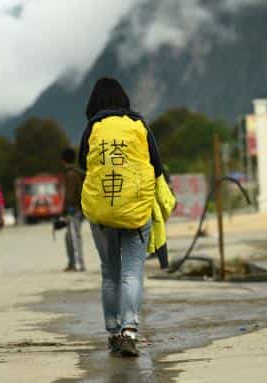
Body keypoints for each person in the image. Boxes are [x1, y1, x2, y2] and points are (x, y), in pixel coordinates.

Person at [79, 77, 175, 357]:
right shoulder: (139, 125)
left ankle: (112, 331)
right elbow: (156, 166)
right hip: (136, 209)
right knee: (132, 272)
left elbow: (82, 165)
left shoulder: (92, 127)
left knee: (110, 273)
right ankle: (129, 331)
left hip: (102, 213)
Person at [62, 147, 85, 272]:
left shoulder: (71, 174)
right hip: (78, 209)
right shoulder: (77, 172)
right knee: (69, 236)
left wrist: (66, 210)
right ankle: (73, 262)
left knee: (74, 236)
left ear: (63, 160)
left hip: (74, 209)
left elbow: (69, 195)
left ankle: (78, 264)